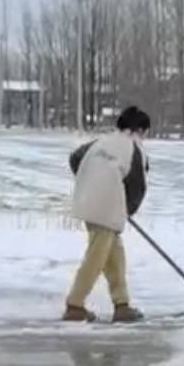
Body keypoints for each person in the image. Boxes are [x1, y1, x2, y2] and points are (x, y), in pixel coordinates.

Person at [64, 105, 151, 324]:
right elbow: (137, 186)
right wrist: (127, 209)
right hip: (107, 207)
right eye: (145, 131)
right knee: (96, 258)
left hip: (88, 202)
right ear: (138, 130)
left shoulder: (100, 142)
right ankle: (74, 306)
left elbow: (75, 158)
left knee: (114, 256)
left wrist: (91, 179)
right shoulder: (134, 148)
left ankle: (122, 305)